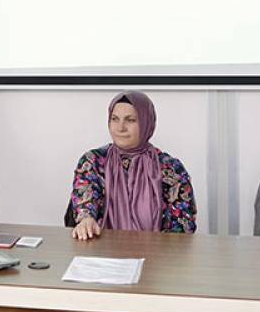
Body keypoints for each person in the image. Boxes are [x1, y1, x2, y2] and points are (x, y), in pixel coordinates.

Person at [66, 91, 196, 240]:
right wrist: (86, 220)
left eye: (130, 120)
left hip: (156, 257)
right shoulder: (93, 161)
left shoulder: (171, 169)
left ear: (147, 122)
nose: (120, 127)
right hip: (102, 253)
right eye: (115, 119)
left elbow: (183, 230)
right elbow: (85, 203)